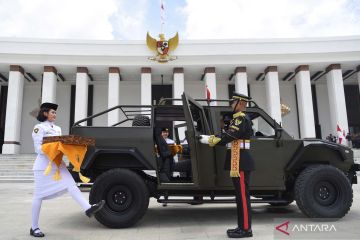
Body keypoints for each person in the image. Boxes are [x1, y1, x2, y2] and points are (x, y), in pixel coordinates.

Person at [30, 102, 105, 238]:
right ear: (45, 113)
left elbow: (60, 145)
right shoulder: (39, 128)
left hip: (58, 165)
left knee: (71, 185)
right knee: (38, 196)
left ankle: (88, 208)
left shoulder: (57, 128)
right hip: (43, 167)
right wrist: (55, 145)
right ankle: (34, 227)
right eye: (53, 112)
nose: (55, 115)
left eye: (55, 112)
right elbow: (38, 149)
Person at [199, 93, 254, 238]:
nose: (231, 105)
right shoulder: (238, 120)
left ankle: (246, 229)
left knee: (242, 197)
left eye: (233, 102)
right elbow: (228, 135)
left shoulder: (241, 119)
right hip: (239, 160)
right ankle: (242, 226)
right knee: (240, 196)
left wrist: (210, 140)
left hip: (241, 161)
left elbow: (229, 137)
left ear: (241, 103)